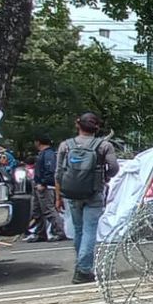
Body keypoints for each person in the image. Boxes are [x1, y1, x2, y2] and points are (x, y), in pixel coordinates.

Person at [55, 112, 119, 284]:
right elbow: (114, 168)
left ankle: (80, 264)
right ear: (96, 127)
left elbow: (58, 173)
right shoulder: (104, 146)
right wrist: (104, 176)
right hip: (94, 192)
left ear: (78, 125)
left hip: (71, 193)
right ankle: (83, 270)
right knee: (90, 230)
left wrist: (58, 196)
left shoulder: (65, 145)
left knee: (78, 230)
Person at [25, 134, 67, 243]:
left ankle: (59, 231)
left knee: (49, 210)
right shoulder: (43, 154)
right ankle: (40, 233)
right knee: (37, 211)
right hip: (38, 185)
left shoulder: (48, 154)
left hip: (45, 187)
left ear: (38, 142)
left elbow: (50, 170)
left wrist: (43, 183)